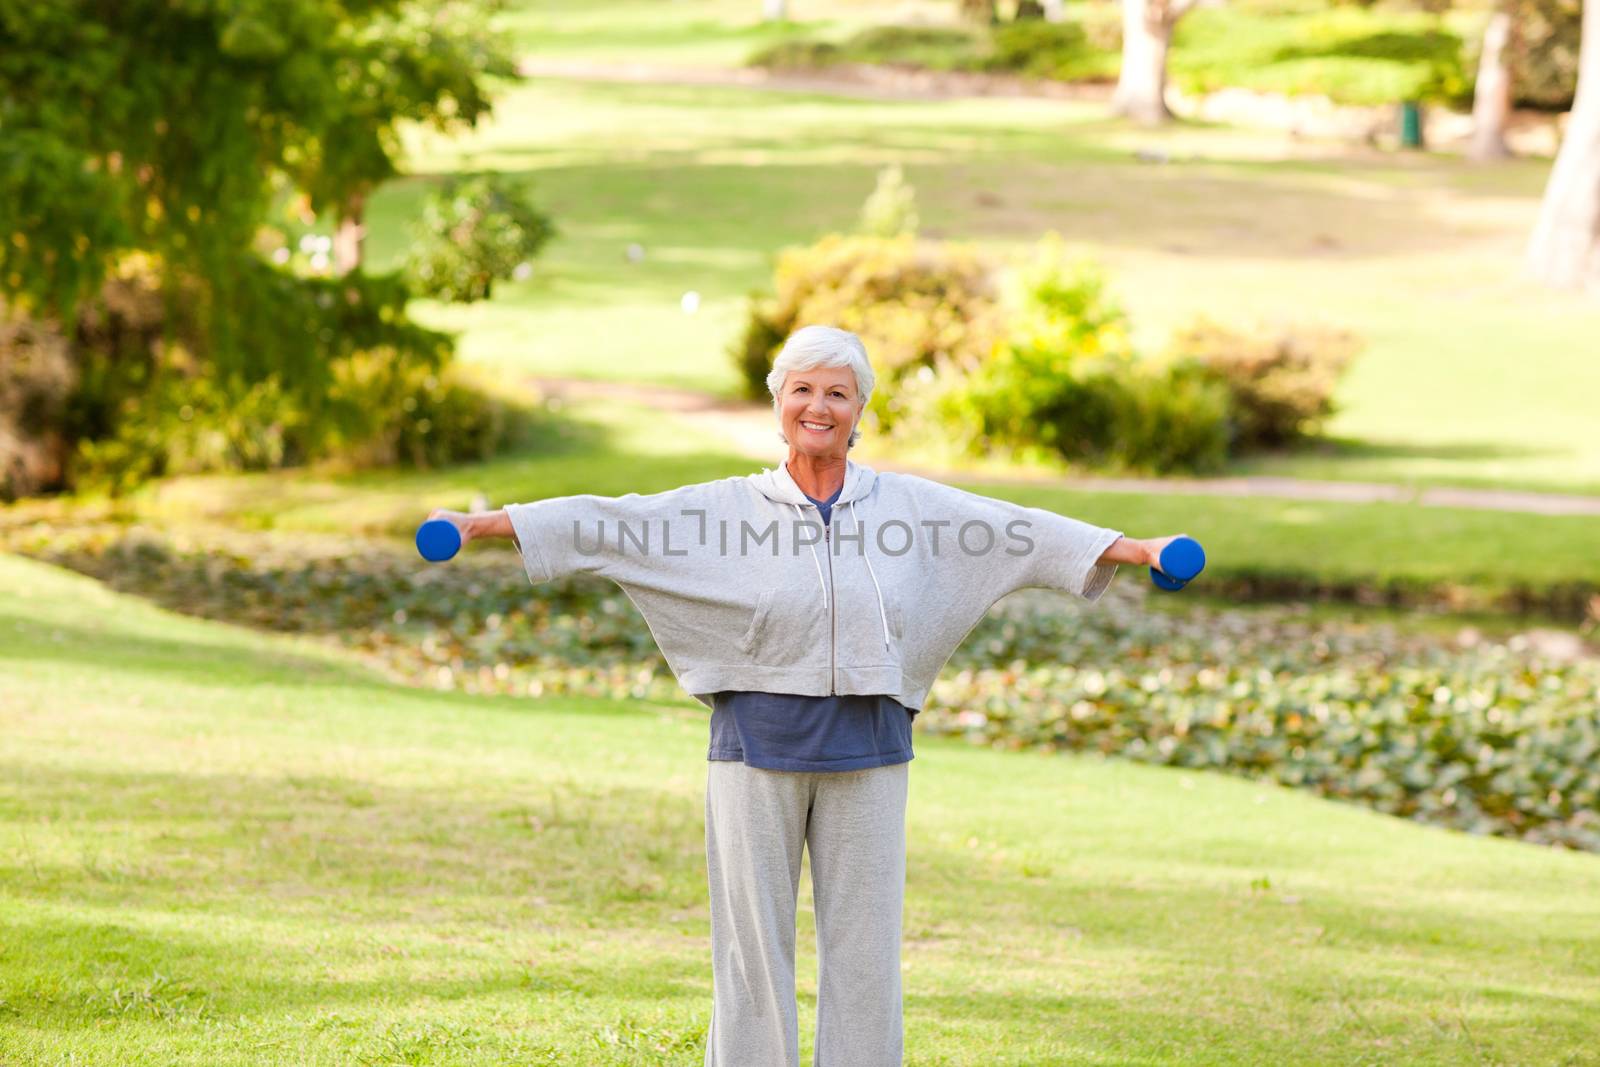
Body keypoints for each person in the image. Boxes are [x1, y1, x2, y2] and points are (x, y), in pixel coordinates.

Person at [425, 325, 1193, 1067]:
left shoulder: (909, 509)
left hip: (871, 754)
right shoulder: (726, 510)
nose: (817, 406)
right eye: (801, 389)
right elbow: (613, 523)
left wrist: (1138, 549)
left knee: (865, 958)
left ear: (860, 410)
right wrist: (476, 524)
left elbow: (1016, 530)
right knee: (752, 956)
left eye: (837, 392)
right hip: (755, 752)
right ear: (778, 402)